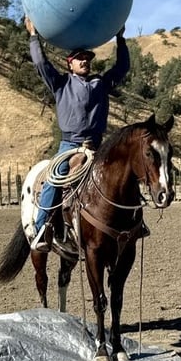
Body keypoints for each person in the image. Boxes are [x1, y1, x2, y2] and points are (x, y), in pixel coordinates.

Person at [26, 16, 130, 252]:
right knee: (55, 178)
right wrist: (34, 36)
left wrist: (120, 39)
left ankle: (132, 222)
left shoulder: (101, 84)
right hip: (69, 145)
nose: (84, 61)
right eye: (79, 59)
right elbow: (41, 64)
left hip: (96, 145)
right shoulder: (60, 84)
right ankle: (42, 229)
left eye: (87, 58)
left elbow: (122, 68)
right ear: (69, 64)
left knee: (122, 174)